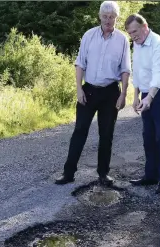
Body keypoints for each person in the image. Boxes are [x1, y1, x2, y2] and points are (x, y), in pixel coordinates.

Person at [55, 1, 131, 186]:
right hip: (88, 91)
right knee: (80, 131)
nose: (108, 20)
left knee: (106, 134)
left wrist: (123, 94)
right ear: (99, 17)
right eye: (105, 16)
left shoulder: (122, 39)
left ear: (116, 18)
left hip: (111, 92)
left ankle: (103, 174)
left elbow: (125, 69)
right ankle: (68, 173)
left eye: (111, 17)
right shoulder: (89, 35)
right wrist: (78, 88)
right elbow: (80, 63)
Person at [125, 13, 160, 194]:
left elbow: (158, 75)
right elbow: (138, 73)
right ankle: (151, 175)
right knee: (148, 136)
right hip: (147, 92)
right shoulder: (137, 46)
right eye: (130, 34)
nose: (133, 36)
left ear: (145, 26)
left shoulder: (158, 44)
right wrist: (136, 96)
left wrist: (150, 98)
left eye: (135, 32)